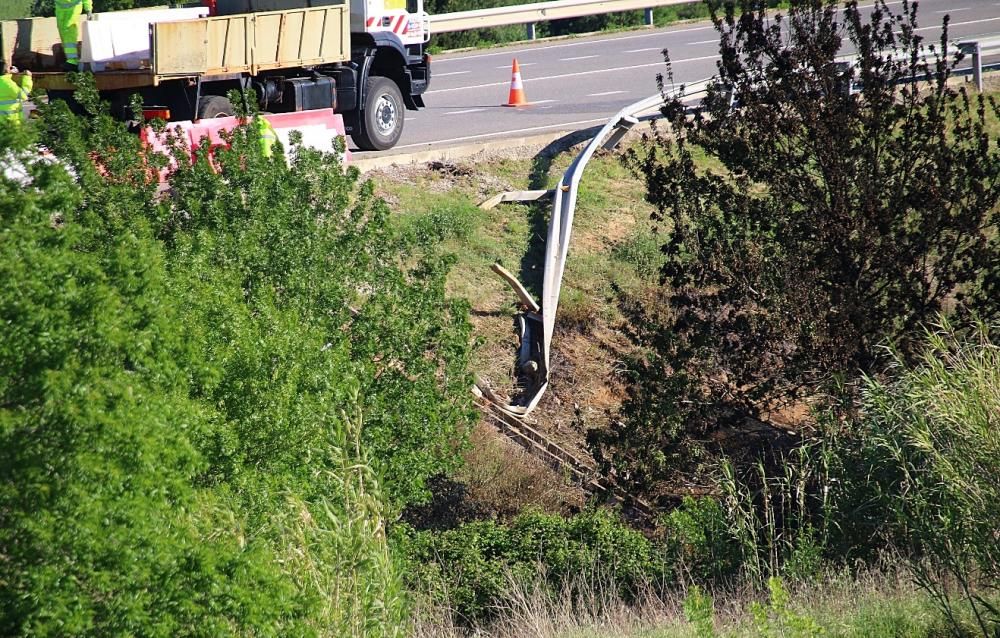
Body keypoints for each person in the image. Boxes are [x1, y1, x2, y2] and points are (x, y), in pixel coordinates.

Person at [55, 0, 92, 70]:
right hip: (60, 10)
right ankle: (70, 60)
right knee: (63, 33)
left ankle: (73, 61)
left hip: (73, 9)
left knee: (69, 32)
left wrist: (88, 9)